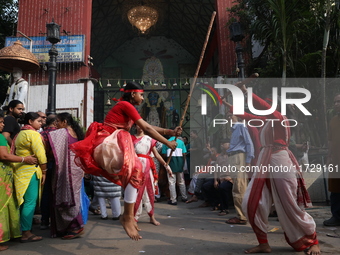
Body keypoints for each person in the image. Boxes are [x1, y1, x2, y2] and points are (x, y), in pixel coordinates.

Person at [70, 81, 180, 241]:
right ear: (133, 94)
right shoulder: (126, 105)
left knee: (138, 170)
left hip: (112, 143)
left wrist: (170, 131)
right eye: (141, 95)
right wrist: (168, 142)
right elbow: (147, 128)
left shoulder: (128, 108)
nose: (143, 98)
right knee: (135, 167)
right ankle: (127, 217)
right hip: (108, 142)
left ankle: (128, 216)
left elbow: (147, 126)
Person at [228, 83, 320, 254]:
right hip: (265, 161)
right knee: (251, 202)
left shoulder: (280, 118)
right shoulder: (266, 121)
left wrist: (246, 92)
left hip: (280, 161)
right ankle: (263, 243)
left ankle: (313, 240)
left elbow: (262, 108)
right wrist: (230, 105)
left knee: (290, 205)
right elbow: (245, 115)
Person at [0, 113, 37, 250]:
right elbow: (4, 155)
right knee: (3, 207)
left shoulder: (17, 135)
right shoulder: (1, 138)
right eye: (0, 122)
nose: (3, 125)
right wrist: (24, 159)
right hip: (3, 177)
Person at [48, 112, 87, 239]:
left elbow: (48, 137)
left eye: (57, 122)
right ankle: (72, 226)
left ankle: (75, 226)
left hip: (67, 168)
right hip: (77, 167)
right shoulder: (77, 133)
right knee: (73, 196)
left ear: (64, 122)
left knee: (66, 196)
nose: (56, 125)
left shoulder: (62, 133)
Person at [13, 112, 47, 243]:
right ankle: (26, 233)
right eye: (39, 121)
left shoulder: (20, 134)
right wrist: (44, 171)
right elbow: (41, 155)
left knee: (22, 202)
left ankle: (21, 230)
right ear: (30, 121)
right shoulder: (33, 134)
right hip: (31, 171)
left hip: (19, 171)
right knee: (30, 202)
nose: (41, 123)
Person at [132, 125, 172, 226]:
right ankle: (134, 218)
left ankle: (152, 217)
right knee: (136, 194)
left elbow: (156, 154)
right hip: (135, 169)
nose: (140, 127)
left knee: (150, 192)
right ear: (135, 126)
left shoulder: (149, 139)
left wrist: (166, 165)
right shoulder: (131, 139)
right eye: (137, 125)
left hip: (148, 169)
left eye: (141, 125)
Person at [225, 113, 254, 225]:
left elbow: (249, 144)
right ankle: (242, 214)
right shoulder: (234, 130)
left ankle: (242, 216)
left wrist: (248, 161)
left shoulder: (241, 126)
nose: (229, 117)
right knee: (238, 186)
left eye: (231, 115)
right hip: (234, 157)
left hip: (238, 157)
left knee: (239, 187)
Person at [323, 94, 340, 227]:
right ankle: (336, 216)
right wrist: (329, 156)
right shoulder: (333, 120)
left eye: (338, 101)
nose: (336, 104)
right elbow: (329, 140)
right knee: (335, 189)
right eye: (334, 101)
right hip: (336, 160)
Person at [39, 114, 57, 230]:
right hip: (55, 165)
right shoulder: (58, 134)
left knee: (45, 193)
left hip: (43, 164)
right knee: (56, 192)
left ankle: (44, 220)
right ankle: (56, 220)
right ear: (55, 123)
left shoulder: (41, 134)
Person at [162, 134, 188, 205]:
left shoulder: (166, 142)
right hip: (180, 164)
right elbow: (184, 154)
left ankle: (173, 200)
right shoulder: (181, 142)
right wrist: (183, 164)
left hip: (170, 164)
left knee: (171, 182)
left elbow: (164, 154)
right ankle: (184, 197)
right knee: (181, 181)